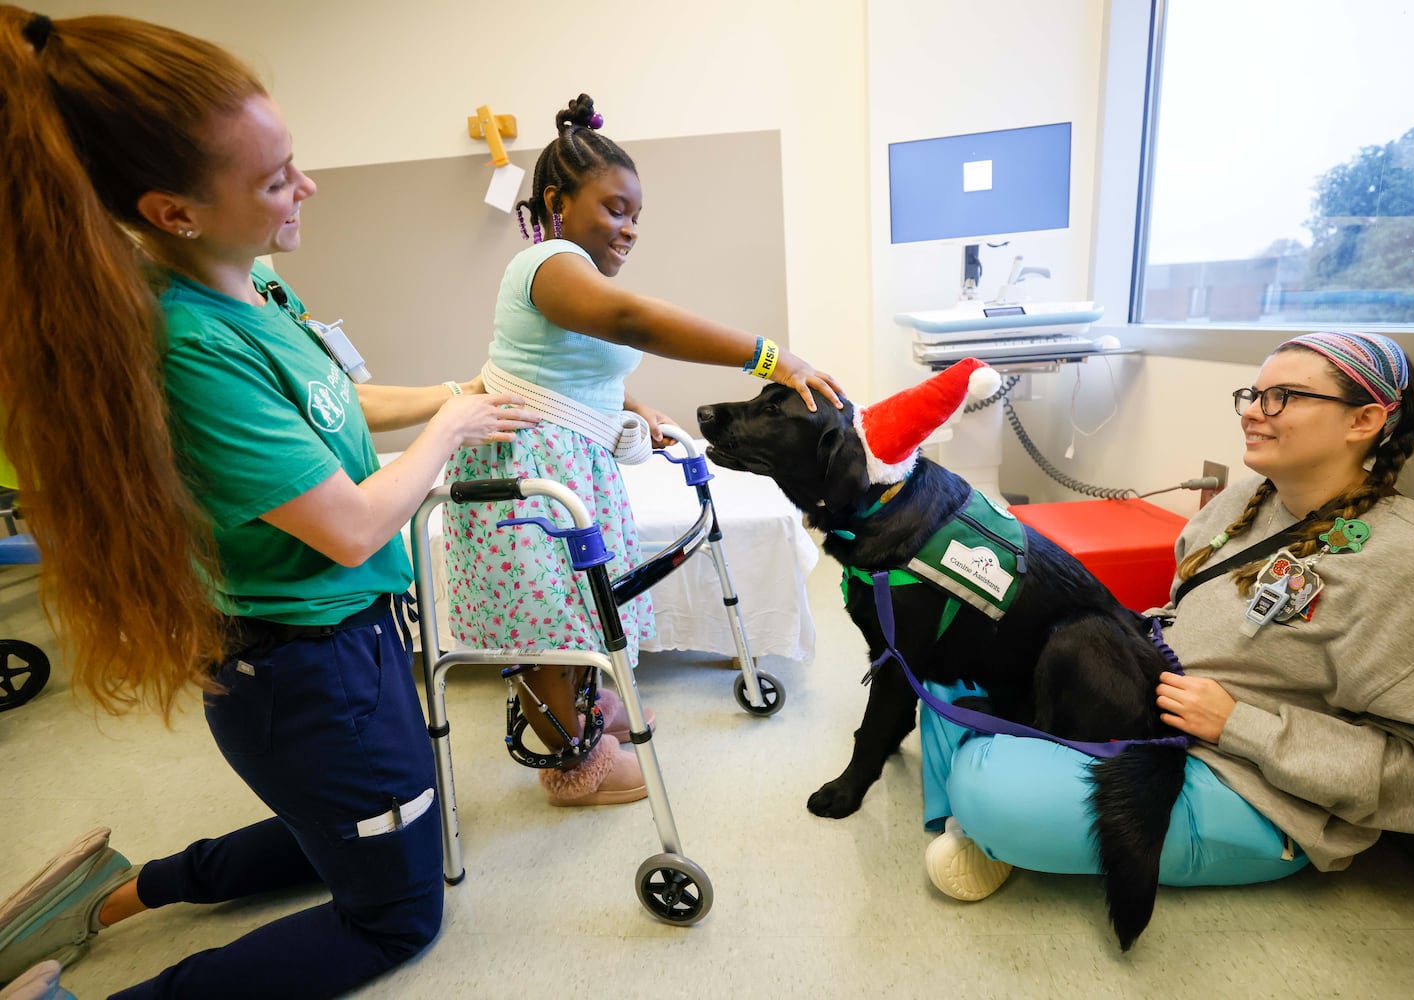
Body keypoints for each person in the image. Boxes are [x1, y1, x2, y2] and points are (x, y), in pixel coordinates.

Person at [0, 9, 543, 998]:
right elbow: (347, 525)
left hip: (349, 645)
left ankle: (134, 893)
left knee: (377, 811)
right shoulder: (190, 347)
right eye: (274, 177)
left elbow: (333, 405)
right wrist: (449, 436)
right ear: (173, 212)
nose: (308, 186)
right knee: (393, 917)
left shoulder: (252, 282)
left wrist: (456, 394)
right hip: (304, 671)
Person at [918, 331, 1414, 904]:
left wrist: (1239, 725)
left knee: (989, 786)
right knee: (948, 657)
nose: (1254, 413)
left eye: (1285, 397)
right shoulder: (1249, 500)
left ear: (1364, 421)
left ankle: (980, 815)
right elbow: (1180, 615)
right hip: (1146, 709)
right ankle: (979, 824)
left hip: (1242, 786)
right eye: (1253, 393)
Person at [445, 93, 843, 807]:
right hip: (526, 473)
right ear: (558, 202)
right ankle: (571, 766)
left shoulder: (573, 276)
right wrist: (769, 358)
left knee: (583, 604)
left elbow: (562, 367)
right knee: (552, 623)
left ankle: (590, 713)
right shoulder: (549, 261)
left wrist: (632, 406)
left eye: (635, 216)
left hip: (568, 464)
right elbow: (634, 322)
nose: (628, 228)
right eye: (614, 208)